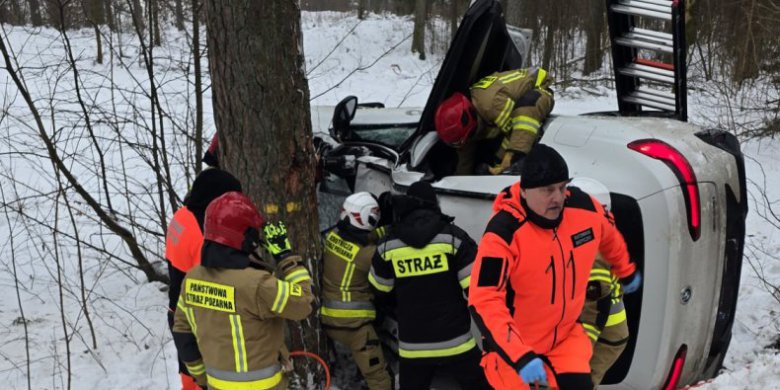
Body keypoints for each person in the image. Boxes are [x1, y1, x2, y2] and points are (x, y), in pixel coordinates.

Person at [467, 144, 642, 389]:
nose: (558, 198)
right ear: (525, 191)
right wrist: (520, 356)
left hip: (566, 341)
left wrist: (625, 269)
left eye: (562, 187)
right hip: (518, 349)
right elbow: (484, 300)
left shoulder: (582, 208)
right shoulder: (503, 233)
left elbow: (607, 234)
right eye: (548, 190)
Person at [172, 192, 314, 389]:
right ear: (246, 237)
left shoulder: (192, 279)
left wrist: (202, 377)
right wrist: (286, 258)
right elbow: (304, 304)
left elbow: (182, 332)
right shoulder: (256, 284)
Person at [369, 182, 491, 390]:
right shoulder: (453, 238)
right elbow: (477, 289)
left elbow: (379, 290)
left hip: (413, 346)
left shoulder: (388, 246)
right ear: (434, 204)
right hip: (457, 342)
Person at [165, 169, 242, 390]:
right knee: (204, 376)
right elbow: (212, 283)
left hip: (176, 309)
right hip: (194, 318)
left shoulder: (182, 215)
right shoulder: (202, 235)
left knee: (187, 370)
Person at [321, 192, 392, 390]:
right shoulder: (366, 255)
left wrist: (388, 229)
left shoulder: (333, 237)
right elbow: (383, 256)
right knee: (378, 376)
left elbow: (366, 236)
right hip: (355, 327)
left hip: (329, 319)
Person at [435, 68, 555, 176]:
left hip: (539, 87)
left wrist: (505, 161)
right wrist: (459, 181)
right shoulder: (464, 125)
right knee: (494, 155)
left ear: (469, 124)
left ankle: (517, 160)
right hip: (503, 103)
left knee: (525, 111)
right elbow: (465, 158)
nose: (460, 144)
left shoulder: (492, 105)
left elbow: (514, 131)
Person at [570, 177, 630, 386]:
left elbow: (592, 310)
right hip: (611, 333)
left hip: (600, 336)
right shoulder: (606, 232)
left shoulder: (591, 252)